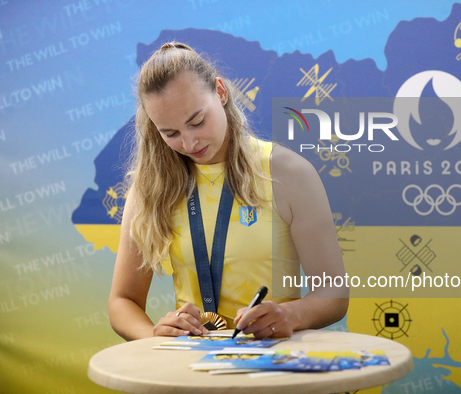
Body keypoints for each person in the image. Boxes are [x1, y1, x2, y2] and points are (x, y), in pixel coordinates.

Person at [108, 41, 349, 341]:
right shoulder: (152, 186)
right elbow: (122, 302)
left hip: (274, 367)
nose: (189, 143)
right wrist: (155, 337)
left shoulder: (288, 173)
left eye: (197, 122)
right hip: (187, 370)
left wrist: (289, 315)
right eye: (169, 133)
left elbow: (334, 294)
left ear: (220, 92)